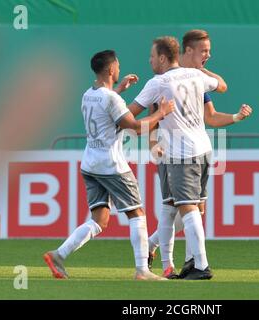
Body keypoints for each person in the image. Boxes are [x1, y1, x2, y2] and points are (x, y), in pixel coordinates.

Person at [43, 50, 174, 281]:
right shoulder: (111, 98)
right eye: (118, 66)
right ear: (111, 69)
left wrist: (120, 89)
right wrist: (161, 112)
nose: (120, 70)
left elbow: (105, 104)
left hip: (90, 163)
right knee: (137, 213)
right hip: (111, 164)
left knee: (99, 220)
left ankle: (59, 255)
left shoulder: (89, 94)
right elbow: (135, 128)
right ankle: (142, 270)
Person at [146, 30, 253, 279]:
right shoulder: (163, 80)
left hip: (196, 150)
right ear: (187, 52)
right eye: (204, 51)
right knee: (174, 208)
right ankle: (181, 263)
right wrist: (153, 144)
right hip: (171, 152)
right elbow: (153, 118)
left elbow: (211, 117)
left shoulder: (196, 79)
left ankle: (176, 255)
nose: (209, 55)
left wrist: (236, 117)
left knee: (192, 209)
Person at [127, 36, 226, 280]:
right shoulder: (195, 76)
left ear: (162, 57)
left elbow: (129, 116)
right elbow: (222, 86)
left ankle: (201, 266)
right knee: (189, 206)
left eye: (152, 56)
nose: (149, 60)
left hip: (180, 153)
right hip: (203, 148)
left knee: (187, 207)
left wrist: (117, 99)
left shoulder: (158, 82)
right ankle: (188, 263)